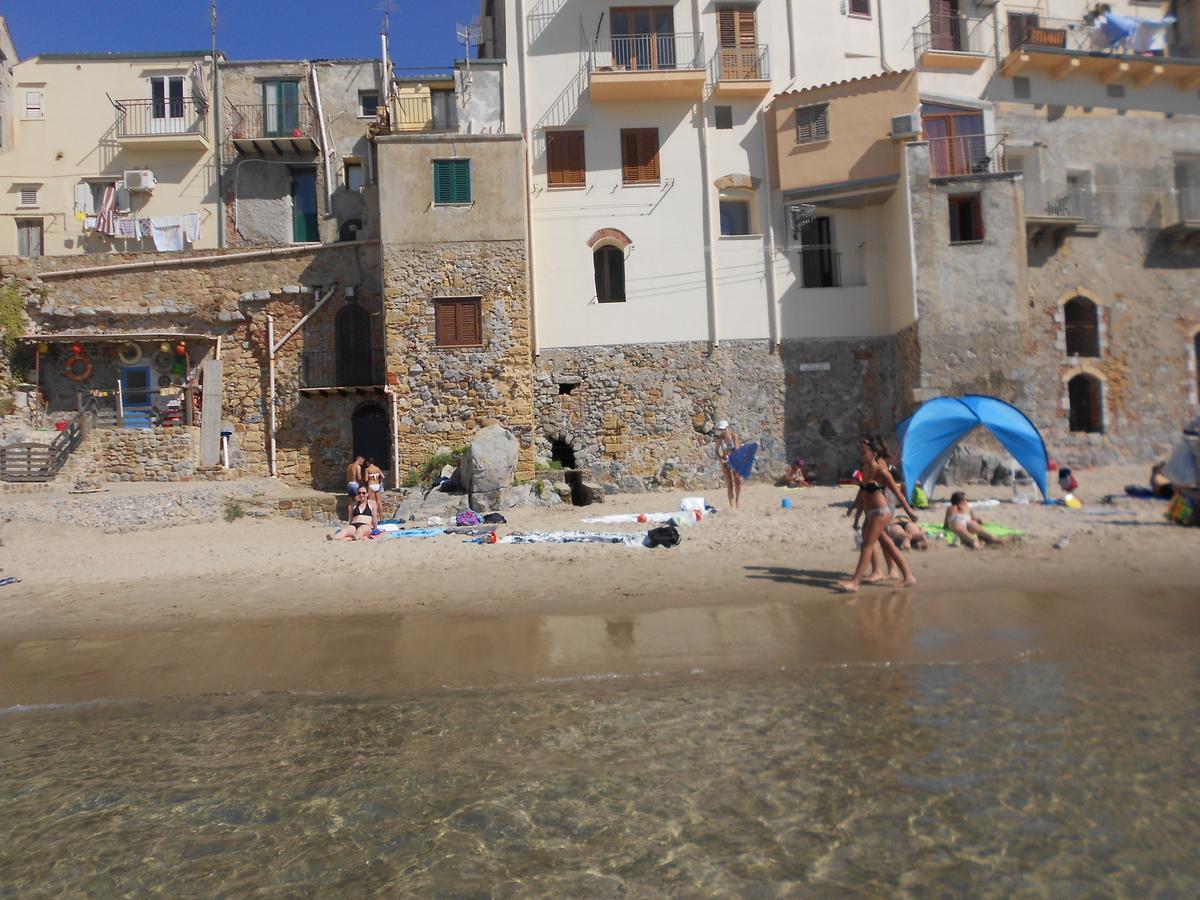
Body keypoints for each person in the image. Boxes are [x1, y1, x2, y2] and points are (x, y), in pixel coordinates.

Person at [837, 436, 917, 593]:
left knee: (867, 545)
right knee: (887, 544)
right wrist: (855, 510)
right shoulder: (865, 468)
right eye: (860, 450)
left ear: (874, 453)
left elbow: (898, 494)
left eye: (864, 451)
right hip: (871, 513)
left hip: (881, 513)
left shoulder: (881, 471)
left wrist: (910, 512)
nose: (861, 452)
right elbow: (863, 493)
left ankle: (855, 582)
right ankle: (908, 576)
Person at [714, 420, 742, 509]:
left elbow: (737, 450)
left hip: (734, 461)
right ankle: (732, 505)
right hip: (725, 461)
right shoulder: (720, 439)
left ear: (727, 427)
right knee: (729, 484)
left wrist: (730, 453)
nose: (722, 431)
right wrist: (720, 459)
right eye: (721, 429)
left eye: (724, 429)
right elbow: (716, 450)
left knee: (738, 482)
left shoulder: (734, 436)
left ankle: (737, 500)